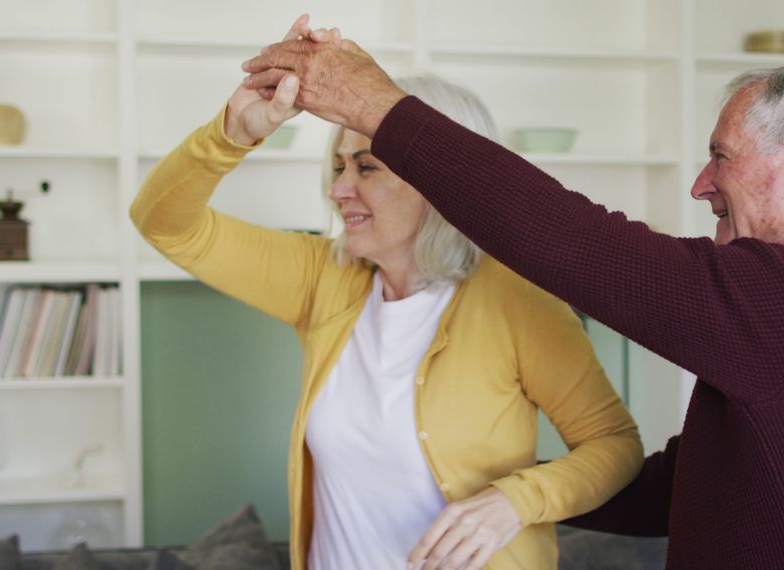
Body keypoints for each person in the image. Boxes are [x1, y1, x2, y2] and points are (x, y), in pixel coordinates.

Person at [240, 18, 784, 568]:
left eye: (721, 158)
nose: (702, 185)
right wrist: (502, 487)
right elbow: (694, 486)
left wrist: (379, 105)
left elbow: (578, 246)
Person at [129, 30, 644, 570]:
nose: (338, 189)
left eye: (366, 166)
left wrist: (515, 500)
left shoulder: (517, 301)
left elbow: (614, 445)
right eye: (338, 166)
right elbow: (162, 224)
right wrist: (230, 133)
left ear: (441, 181)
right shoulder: (322, 278)